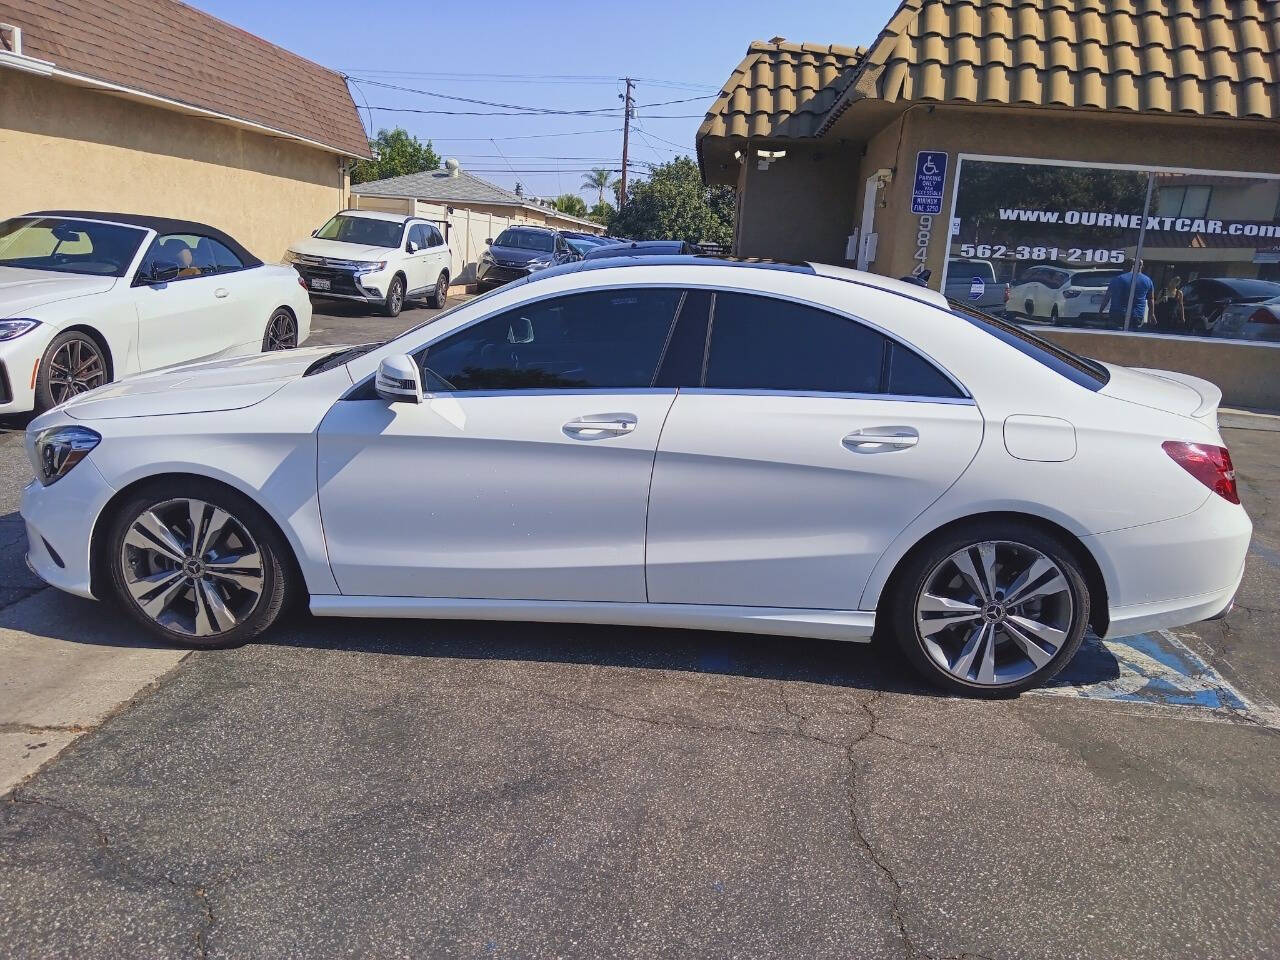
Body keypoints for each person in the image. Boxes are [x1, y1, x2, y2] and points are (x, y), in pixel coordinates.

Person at [1100, 259, 1155, 329]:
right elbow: (1151, 299)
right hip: (1137, 314)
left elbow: (1107, 296)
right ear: (1142, 266)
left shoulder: (1118, 279)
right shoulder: (1147, 280)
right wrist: (1151, 314)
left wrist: (1101, 310)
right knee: (1132, 336)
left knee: (1114, 335)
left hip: (1117, 313)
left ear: (1128, 266)